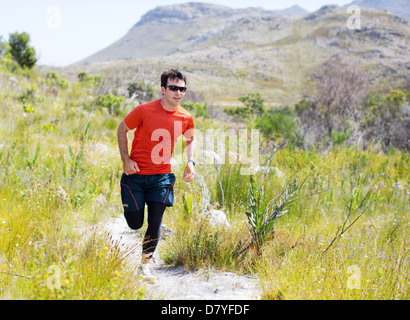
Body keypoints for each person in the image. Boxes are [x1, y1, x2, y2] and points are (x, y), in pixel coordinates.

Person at [117, 69, 195, 279]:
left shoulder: (186, 117)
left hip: (162, 176)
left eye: (182, 89)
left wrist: (190, 162)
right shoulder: (144, 110)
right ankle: (130, 203)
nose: (178, 93)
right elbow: (121, 128)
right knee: (135, 223)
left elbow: (190, 139)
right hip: (136, 175)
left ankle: (145, 264)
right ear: (163, 89)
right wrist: (126, 159)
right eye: (173, 88)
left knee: (155, 222)